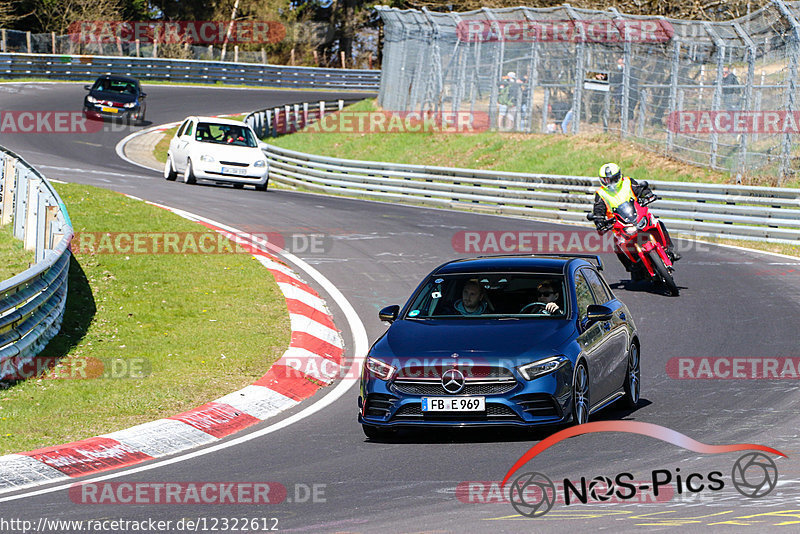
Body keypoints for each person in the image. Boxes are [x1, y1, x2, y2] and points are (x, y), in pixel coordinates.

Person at [592, 163, 680, 275]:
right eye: (605, 180)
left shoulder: (628, 182)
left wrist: (648, 195)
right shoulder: (601, 193)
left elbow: (640, 190)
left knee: (658, 223)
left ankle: (670, 250)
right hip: (619, 225)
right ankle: (632, 266)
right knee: (617, 245)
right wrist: (599, 221)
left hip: (639, 215)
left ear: (618, 176)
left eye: (611, 179)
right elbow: (598, 210)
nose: (609, 182)